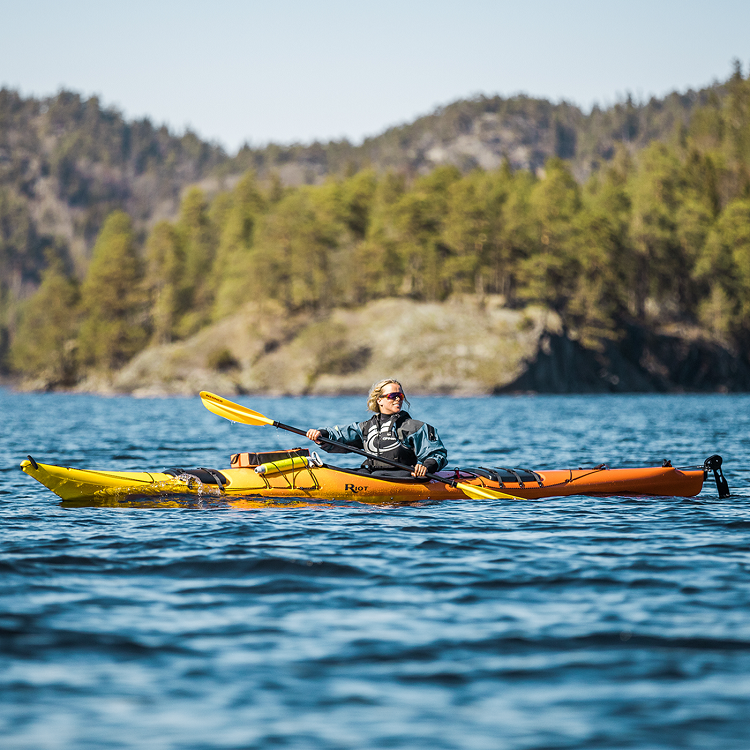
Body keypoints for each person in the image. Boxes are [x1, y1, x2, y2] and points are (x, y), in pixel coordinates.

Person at [306, 379, 447, 478]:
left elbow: (436, 453)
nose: (398, 399)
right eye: (393, 396)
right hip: (371, 473)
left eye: (401, 396)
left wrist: (426, 467)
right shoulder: (366, 427)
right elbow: (340, 434)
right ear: (379, 400)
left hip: (403, 476)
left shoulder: (416, 428)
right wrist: (320, 434)